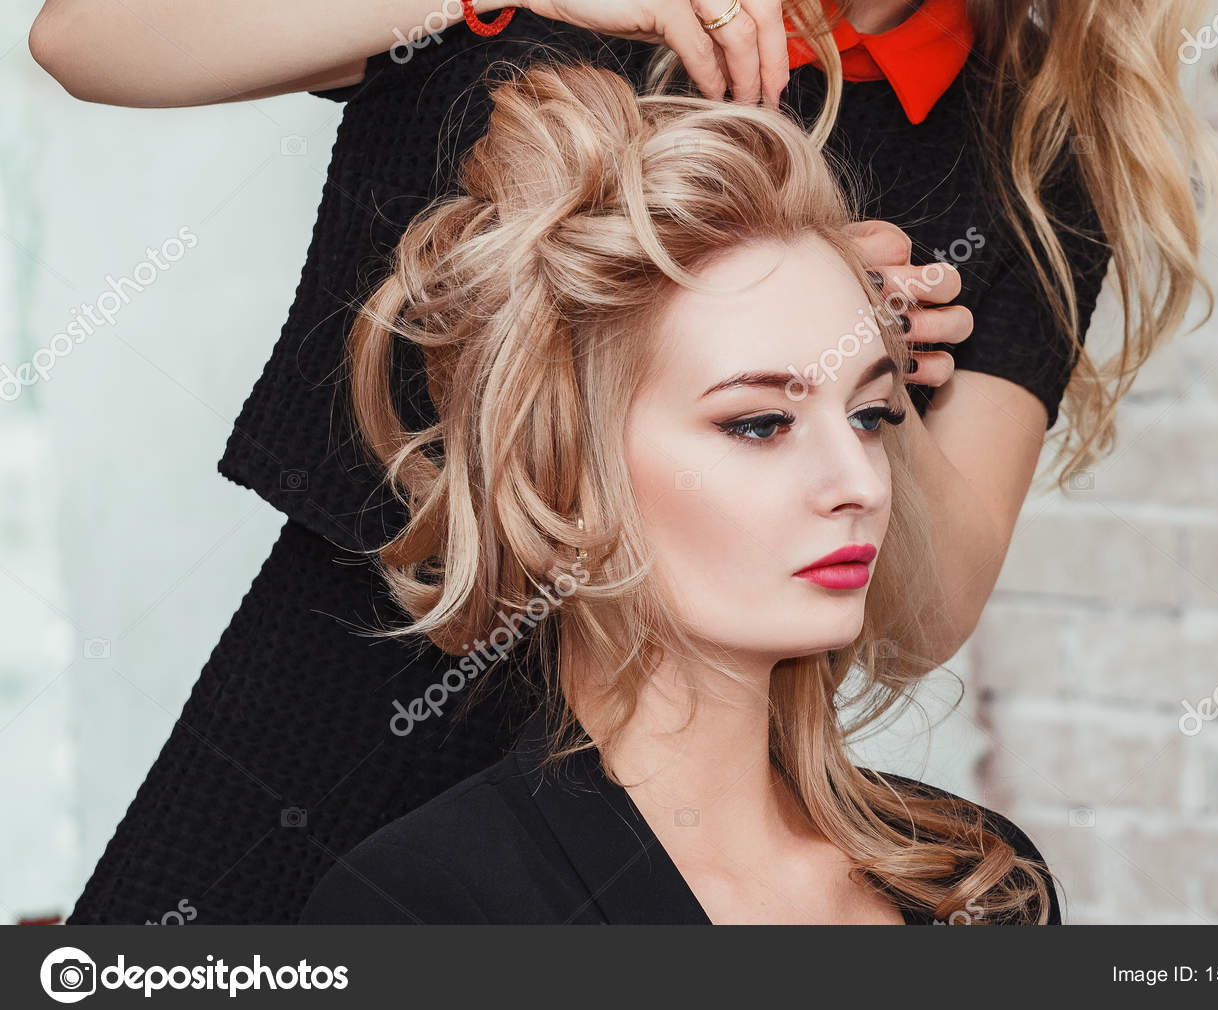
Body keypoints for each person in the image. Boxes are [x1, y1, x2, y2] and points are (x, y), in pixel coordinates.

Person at [30, 0, 1218, 922]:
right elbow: (88, 33)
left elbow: (924, 615)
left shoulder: (1027, 152)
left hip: (672, 824)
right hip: (309, 741)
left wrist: (852, 362)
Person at [301, 60, 1059, 924]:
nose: (859, 486)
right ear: (566, 467)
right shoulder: (425, 911)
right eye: (760, 424)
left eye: (872, 415)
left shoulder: (980, 879)